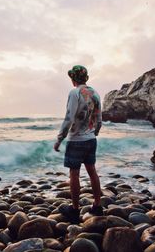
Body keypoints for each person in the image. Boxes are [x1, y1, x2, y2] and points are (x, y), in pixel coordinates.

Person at [54, 65, 103, 223]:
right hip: (91, 140)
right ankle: (97, 205)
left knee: (74, 174)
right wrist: (94, 133)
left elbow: (69, 118)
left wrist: (59, 139)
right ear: (86, 77)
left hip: (76, 140)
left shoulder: (74, 93)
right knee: (92, 171)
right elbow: (99, 119)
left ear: (73, 79)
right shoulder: (95, 93)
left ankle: (74, 210)